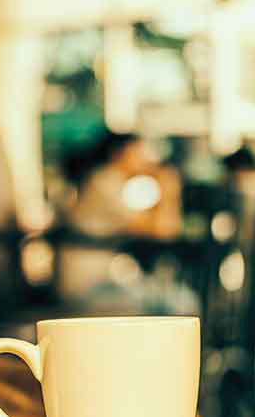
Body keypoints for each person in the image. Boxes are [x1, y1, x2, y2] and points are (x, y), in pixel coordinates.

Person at [56, 131, 193, 314]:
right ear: (119, 154)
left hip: (102, 282)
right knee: (177, 303)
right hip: (87, 288)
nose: (146, 159)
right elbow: (162, 230)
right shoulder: (104, 182)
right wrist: (169, 189)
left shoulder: (114, 183)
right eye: (139, 152)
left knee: (176, 298)